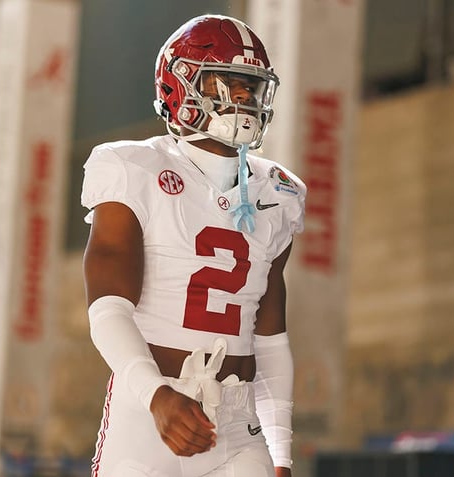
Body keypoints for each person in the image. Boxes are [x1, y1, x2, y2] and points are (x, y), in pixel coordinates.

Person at [81, 14, 305, 477]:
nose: (244, 97)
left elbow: (270, 337)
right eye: (227, 82)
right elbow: (107, 309)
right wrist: (157, 396)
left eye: (251, 85)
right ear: (179, 86)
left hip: (239, 422)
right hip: (148, 416)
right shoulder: (132, 166)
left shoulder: (278, 191)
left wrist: (280, 449)